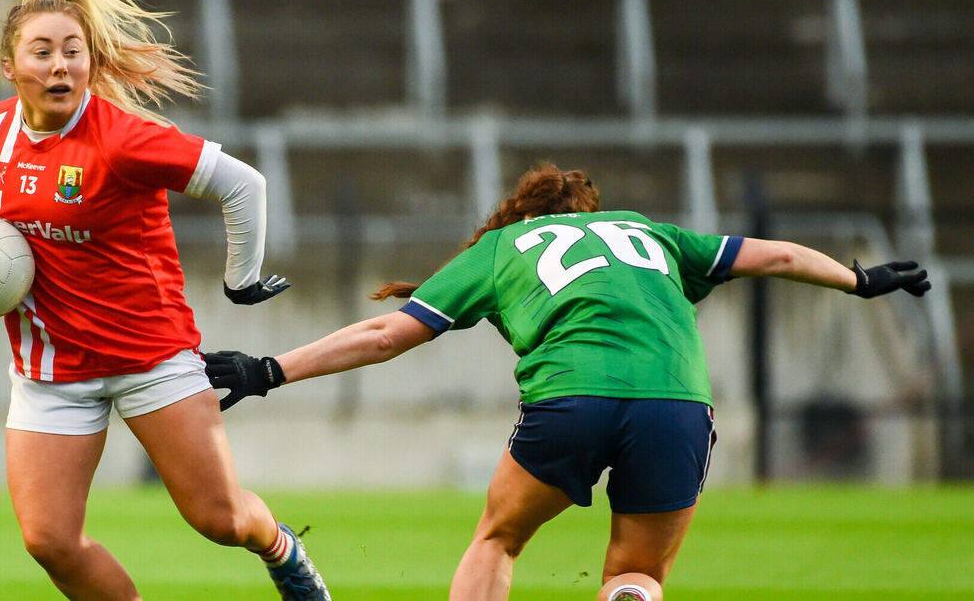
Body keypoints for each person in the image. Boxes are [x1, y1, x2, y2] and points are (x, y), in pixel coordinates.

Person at [204, 162, 930, 601]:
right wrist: (860, 278)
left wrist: (270, 369)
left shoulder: (500, 247)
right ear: (585, 212)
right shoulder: (647, 232)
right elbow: (771, 257)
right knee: (638, 573)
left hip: (570, 401)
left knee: (498, 538)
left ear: (521, 215)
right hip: (676, 406)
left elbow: (386, 334)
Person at [0, 0, 329, 600]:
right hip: (49, 368)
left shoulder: (122, 138)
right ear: (10, 65)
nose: (60, 65)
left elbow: (244, 184)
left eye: (73, 50)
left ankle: (282, 550)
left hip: (150, 357)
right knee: (48, 540)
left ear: (91, 61)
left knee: (221, 519)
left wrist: (242, 278)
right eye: (42, 51)